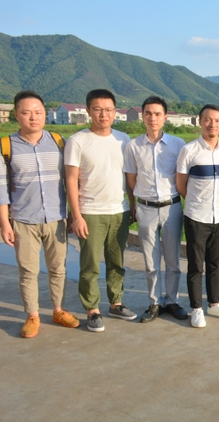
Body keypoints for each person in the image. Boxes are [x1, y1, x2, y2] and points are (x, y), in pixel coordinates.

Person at [0, 90, 79, 338]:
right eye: (26, 113)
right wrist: (5, 223)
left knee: (58, 268)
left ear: (45, 114)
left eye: (38, 112)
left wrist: (74, 214)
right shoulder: (6, 145)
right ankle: (32, 315)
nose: (33, 117)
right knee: (28, 271)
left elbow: (72, 180)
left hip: (56, 216)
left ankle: (58, 310)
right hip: (24, 219)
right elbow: (1, 187)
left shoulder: (58, 141)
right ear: (16, 115)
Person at [65, 89, 137, 332]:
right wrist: (76, 216)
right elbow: (71, 180)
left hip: (119, 211)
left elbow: (129, 177)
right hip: (90, 212)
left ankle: (116, 303)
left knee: (117, 261)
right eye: (97, 109)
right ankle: (92, 309)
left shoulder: (123, 139)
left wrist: (133, 205)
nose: (103, 114)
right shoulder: (78, 140)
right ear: (88, 111)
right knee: (90, 265)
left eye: (108, 110)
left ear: (115, 112)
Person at [124, 96, 187, 323]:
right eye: (148, 113)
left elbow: (182, 177)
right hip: (146, 208)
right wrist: (135, 205)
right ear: (142, 116)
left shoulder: (178, 144)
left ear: (165, 117)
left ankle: (172, 301)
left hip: (172, 207)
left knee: (173, 260)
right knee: (151, 261)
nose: (153, 118)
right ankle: (154, 302)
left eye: (158, 114)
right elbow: (131, 180)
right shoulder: (133, 146)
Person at [176, 104, 219, 328]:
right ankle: (196, 308)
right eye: (208, 120)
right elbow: (181, 185)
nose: (213, 124)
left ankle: (214, 303)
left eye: (217, 120)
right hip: (196, 217)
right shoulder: (189, 150)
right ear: (200, 122)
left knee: (215, 264)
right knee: (195, 265)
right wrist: (197, 202)